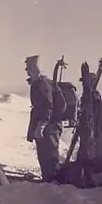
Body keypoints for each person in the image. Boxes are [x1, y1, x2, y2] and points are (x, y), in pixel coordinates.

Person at [25, 55, 62, 183]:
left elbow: (48, 106)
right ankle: (50, 182)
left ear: (35, 68)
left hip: (49, 129)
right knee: (45, 158)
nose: (27, 70)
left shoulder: (42, 84)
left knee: (50, 158)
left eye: (28, 67)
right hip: (46, 128)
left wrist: (41, 126)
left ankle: (55, 185)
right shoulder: (39, 83)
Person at [73, 72, 102, 187]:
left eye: (85, 82)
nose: (83, 84)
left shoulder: (94, 96)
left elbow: (97, 114)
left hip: (91, 130)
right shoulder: (86, 96)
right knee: (82, 156)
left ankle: (88, 180)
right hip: (84, 129)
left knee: (88, 157)